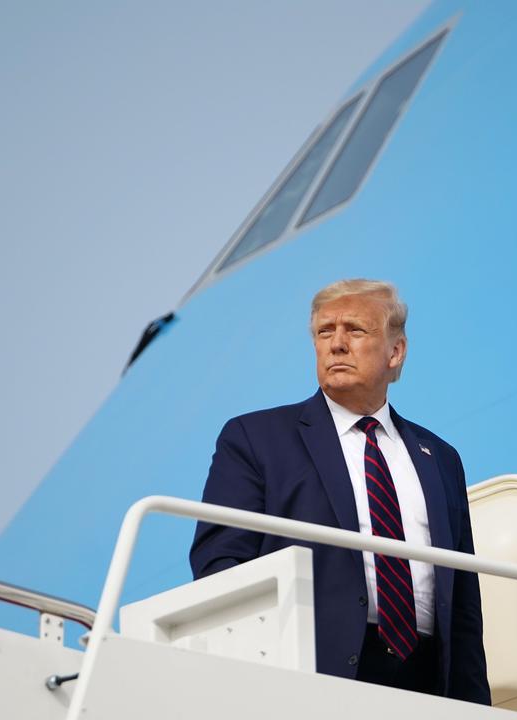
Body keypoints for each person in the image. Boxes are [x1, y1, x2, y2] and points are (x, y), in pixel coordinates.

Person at [189, 279, 490, 704]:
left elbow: (462, 603)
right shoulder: (256, 438)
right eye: (324, 332)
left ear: (395, 351)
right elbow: (220, 564)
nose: (337, 344)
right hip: (307, 679)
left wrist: (475, 707)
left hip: (427, 683)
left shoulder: (439, 457)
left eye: (355, 330)